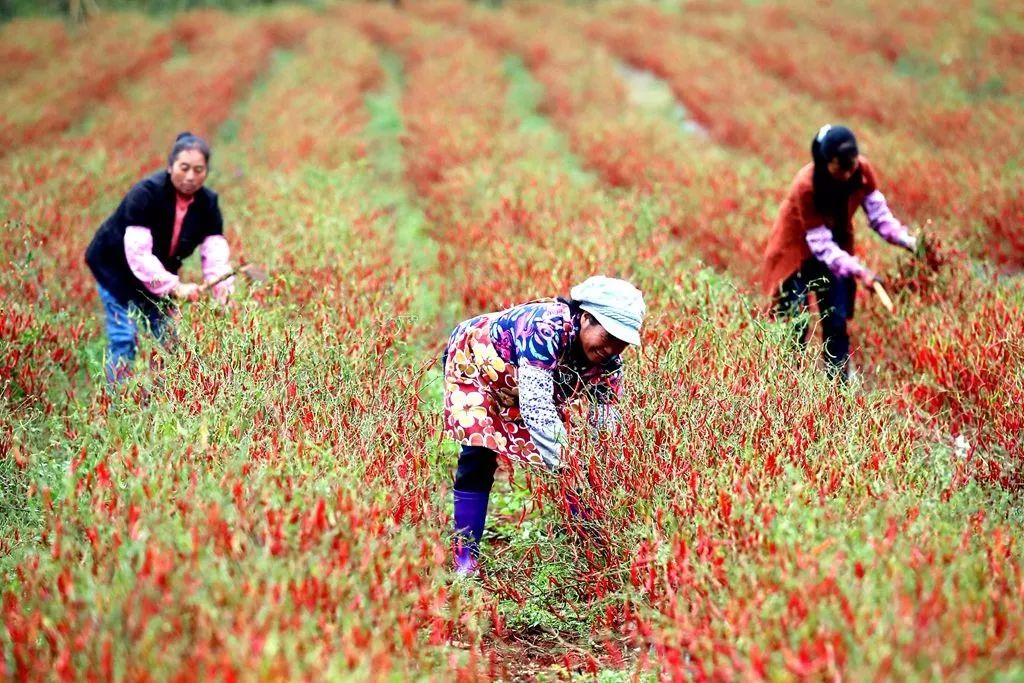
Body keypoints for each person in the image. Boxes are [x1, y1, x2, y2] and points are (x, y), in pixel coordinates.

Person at [442, 276, 646, 575]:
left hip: (524, 382)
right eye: (609, 336)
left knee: (578, 467)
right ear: (587, 318)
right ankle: (465, 558)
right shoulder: (545, 328)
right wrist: (569, 464)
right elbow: (536, 409)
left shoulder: (610, 364)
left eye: (622, 343)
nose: (613, 349)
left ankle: (592, 557)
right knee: (479, 453)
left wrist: (599, 472)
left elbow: (605, 427)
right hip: (478, 365)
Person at [760, 124, 918, 380]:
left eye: (850, 166)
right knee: (794, 325)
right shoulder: (806, 185)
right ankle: (787, 387)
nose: (846, 174)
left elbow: (879, 216)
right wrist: (861, 271)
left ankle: (838, 387)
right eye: (839, 168)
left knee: (836, 320)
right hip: (795, 253)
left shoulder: (862, 172)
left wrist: (909, 242)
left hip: (835, 252)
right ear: (825, 162)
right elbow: (820, 243)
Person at [85, 132, 234, 382]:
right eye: (184, 168)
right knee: (124, 337)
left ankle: (162, 402)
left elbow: (216, 256)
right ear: (170, 166)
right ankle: (117, 406)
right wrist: (175, 287)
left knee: (170, 339)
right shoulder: (146, 193)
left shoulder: (208, 203)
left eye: (199, 170)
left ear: (206, 172)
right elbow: (139, 256)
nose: (190, 177)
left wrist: (223, 299)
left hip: (157, 276)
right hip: (116, 271)